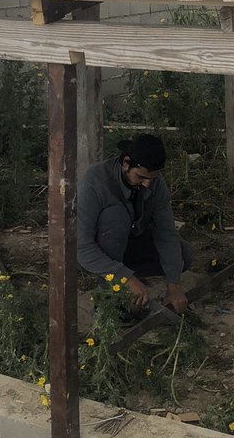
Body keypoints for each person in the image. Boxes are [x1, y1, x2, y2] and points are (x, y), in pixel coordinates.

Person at [77, 134, 191, 313]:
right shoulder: (95, 181)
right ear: (126, 163)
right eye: (141, 177)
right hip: (95, 254)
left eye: (152, 179)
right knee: (116, 216)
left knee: (184, 253)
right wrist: (125, 278)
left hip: (129, 245)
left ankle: (128, 281)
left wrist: (173, 287)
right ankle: (109, 299)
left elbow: (167, 233)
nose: (147, 184)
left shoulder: (154, 183)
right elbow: (82, 247)